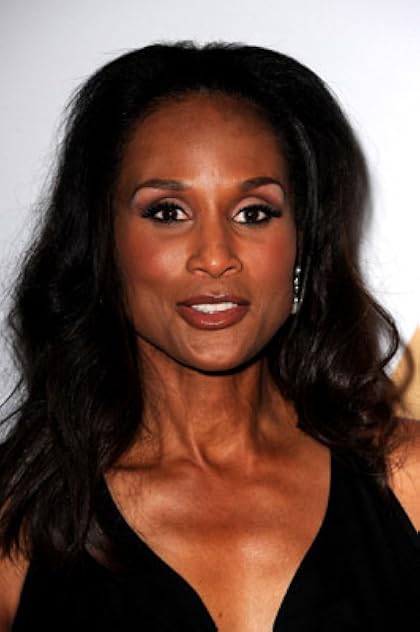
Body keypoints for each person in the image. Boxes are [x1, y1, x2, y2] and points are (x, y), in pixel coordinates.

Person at [0, 41, 419, 631]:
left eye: (254, 212)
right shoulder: (17, 519)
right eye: (168, 211)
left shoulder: (408, 478)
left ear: (302, 243)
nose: (216, 257)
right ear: (102, 242)